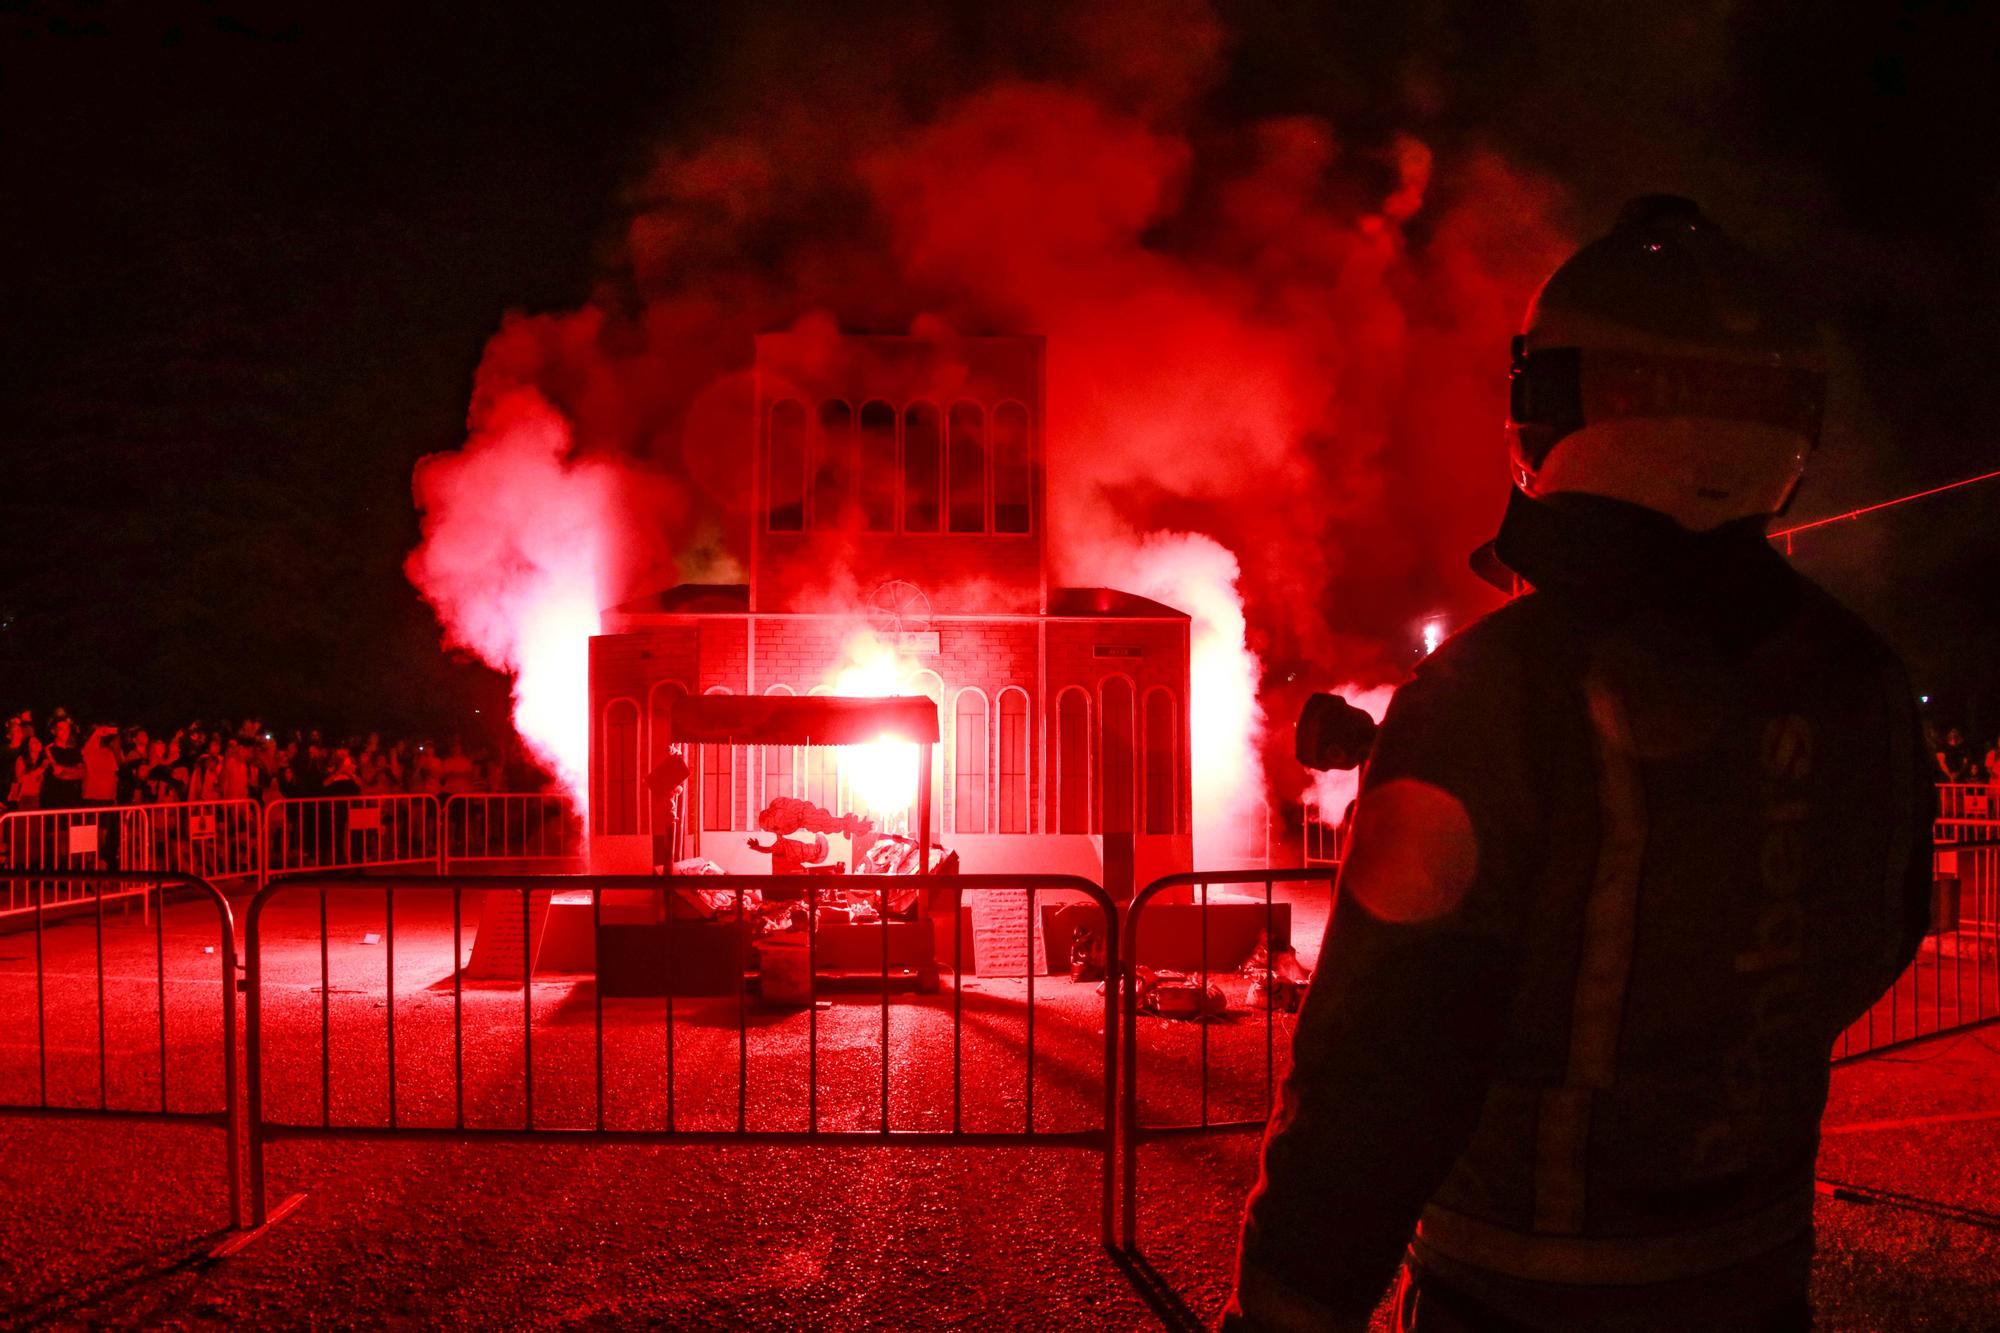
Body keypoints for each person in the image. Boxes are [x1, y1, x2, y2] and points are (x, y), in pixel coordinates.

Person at [1227, 197, 1934, 1333]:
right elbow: (1874, 931)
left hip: (1514, 1293)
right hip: (1752, 1283)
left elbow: (1378, 1067)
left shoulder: (1494, 689)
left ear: (1556, 409)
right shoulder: (1854, 675)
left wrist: (1284, 1310)